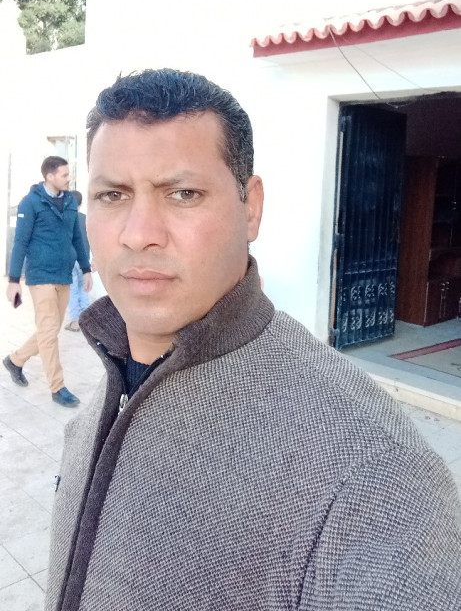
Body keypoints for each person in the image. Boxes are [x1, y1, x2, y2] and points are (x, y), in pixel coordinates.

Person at [46, 70, 461, 610]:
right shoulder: (110, 379)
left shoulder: (372, 477)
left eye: (183, 193)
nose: (139, 233)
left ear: (251, 208)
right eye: (112, 195)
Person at [4, 156, 92, 407]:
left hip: (64, 273)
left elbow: (77, 238)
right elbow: (20, 241)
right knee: (49, 331)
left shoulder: (70, 202)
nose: (69, 178)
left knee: (49, 330)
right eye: (64, 175)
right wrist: (13, 279)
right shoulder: (31, 203)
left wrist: (86, 269)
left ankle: (15, 360)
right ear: (50, 176)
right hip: (41, 275)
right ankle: (57, 387)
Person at [64, 190, 90, 332]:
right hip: (84, 259)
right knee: (84, 288)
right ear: (81, 204)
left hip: (70, 259)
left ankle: (75, 321)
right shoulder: (86, 219)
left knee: (72, 289)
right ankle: (86, 321)